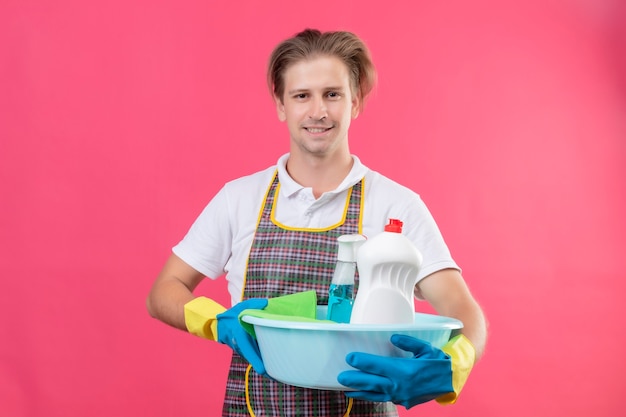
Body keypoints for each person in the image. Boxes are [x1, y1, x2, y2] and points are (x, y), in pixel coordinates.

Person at [147, 28, 487, 416]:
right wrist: (216, 322)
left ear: (355, 102)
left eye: (332, 94)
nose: (318, 111)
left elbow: (463, 309)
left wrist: (453, 364)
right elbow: (162, 292)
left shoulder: (397, 205)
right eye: (301, 95)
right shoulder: (239, 199)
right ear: (281, 105)